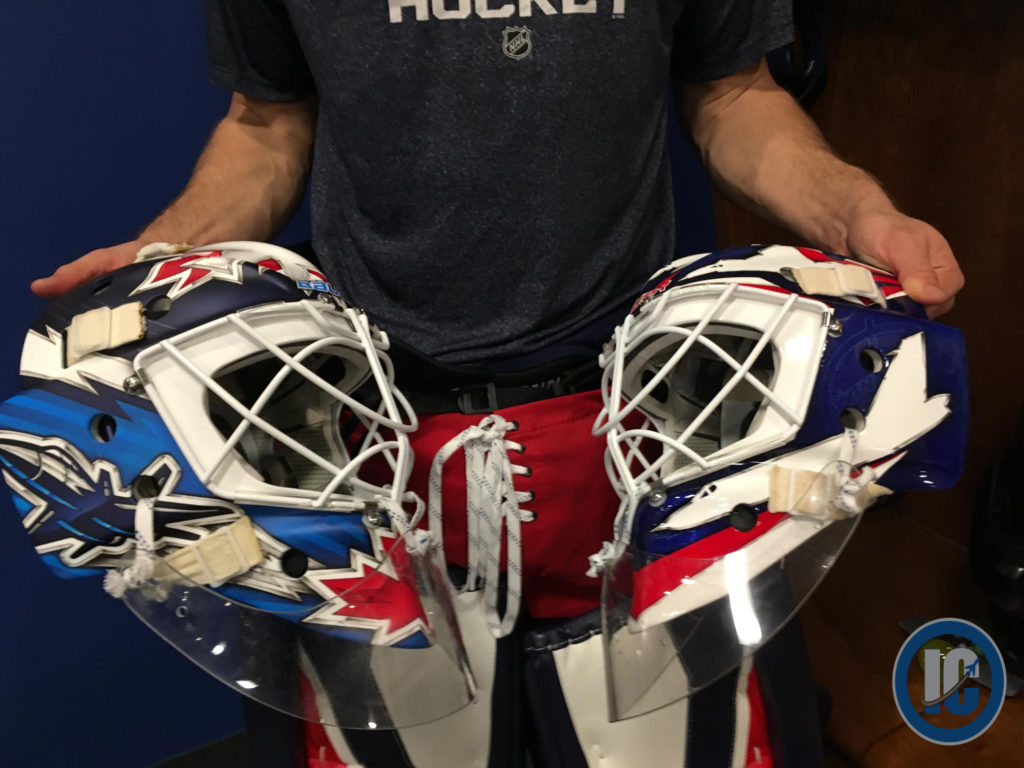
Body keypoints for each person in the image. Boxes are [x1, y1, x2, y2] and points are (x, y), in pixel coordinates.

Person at [27, 2, 964, 767]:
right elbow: (267, 123)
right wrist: (166, 257)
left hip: (642, 439)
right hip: (365, 452)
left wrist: (857, 212)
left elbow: (734, 92)